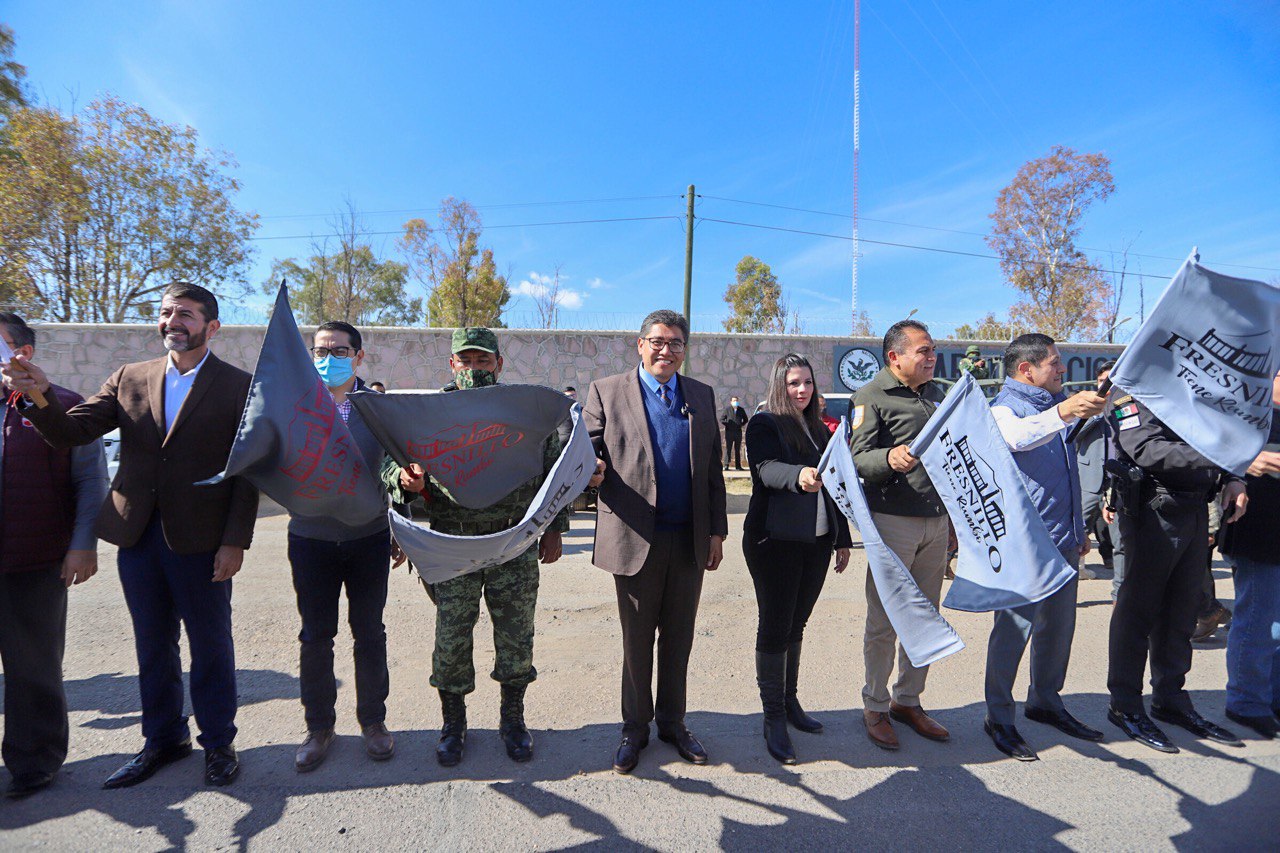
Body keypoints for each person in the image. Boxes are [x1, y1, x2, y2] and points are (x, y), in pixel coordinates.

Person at [2, 282, 258, 788]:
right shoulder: (129, 378)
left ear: (212, 327)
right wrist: (37, 393)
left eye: (185, 314)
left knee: (210, 645)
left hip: (203, 541)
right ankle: (163, 740)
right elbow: (70, 432)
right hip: (137, 537)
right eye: (165, 313)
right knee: (151, 645)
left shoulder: (239, 386)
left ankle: (219, 742)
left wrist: (235, 540)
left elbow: (246, 472)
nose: (172, 322)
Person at [387, 328, 568, 767]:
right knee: (451, 639)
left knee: (515, 637)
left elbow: (553, 469)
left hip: (513, 542)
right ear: (452, 365)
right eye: (465, 362)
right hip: (452, 544)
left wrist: (554, 528)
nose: (473, 370)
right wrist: (404, 482)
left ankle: (512, 720)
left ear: (499, 365)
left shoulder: (521, 412)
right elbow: (392, 466)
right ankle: (453, 725)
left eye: (482, 362)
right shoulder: (429, 414)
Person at [584, 309, 727, 774]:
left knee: (679, 639)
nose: (667, 350)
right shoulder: (607, 391)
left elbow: (712, 472)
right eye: (658, 341)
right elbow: (586, 453)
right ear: (640, 345)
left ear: (685, 350)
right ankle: (635, 728)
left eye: (677, 343)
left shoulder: (700, 396)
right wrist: (593, 472)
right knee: (637, 639)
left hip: (687, 540)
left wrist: (716, 532)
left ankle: (672, 722)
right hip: (634, 538)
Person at [982, 334, 1108, 761]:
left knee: (1058, 631)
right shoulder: (1004, 409)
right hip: (1025, 547)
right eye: (1054, 363)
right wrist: (1063, 412)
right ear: (1026, 370)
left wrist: (1079, 529)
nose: (1062, 370)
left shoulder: (1059, 405)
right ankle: (999, 717)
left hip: (1065, 541)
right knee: (1012, 633)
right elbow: (1019, 439)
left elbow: (1066, 473)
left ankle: (1045, 702)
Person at [0, 313, 108, 798]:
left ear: (20, 353)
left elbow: (90, 481)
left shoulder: (62, 407)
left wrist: (82, 543)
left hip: (35, 560)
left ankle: (34, 761)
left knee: (33, 668)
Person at [1106, 392, 1247, 752]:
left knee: (1181, 611)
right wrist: (1214, 457)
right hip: (1154, 510)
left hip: (1195, 508)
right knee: (1138, 611)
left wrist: (1233, 476)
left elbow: (1223, 433)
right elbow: (1146, 449)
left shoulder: (1194, 390)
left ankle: (1170, 698)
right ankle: (1125, 704)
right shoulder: (1135, 392)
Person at [290, 322, 395, 772]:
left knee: (369, 634)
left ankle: (373, 722)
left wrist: (402, 527)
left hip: (367, 539)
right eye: (319, 350)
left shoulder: (377, 410)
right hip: (311, 539)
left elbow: (396, 466)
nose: (327, 357)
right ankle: (319, 728)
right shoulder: (296, 407)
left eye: (338, 350)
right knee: (316, 637)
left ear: (358, 356)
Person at [847, 319, 951, 750]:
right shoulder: (870, 397)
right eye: (923, 352)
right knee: (885, 620)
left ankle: (908, 700)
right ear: (895, 357)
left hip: (938, 521)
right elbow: (856, 459)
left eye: (932, 351)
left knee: (925, 616)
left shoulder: (937, 395)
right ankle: (875, 705)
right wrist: (889, 457)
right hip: (893, 523)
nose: (932, 358)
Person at [743, 354, 851, 764]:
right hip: (775, 541)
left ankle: (789, 703)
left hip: (817, 542)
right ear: (779, 386)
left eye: (806, 382)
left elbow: (836, 485)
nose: (802, 390)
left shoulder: (819, 429)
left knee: (797, 623)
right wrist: (799, 476)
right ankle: (772, 717)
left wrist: (841, 538)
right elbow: (766, 470)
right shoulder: (764, 423)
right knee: (775, 626)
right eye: (793, 383)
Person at [1218, 370, 1280, 738]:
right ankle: (1245, 703)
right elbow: (1220, 453)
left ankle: (1271, 697)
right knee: (1257, 621)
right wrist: (1253, 459)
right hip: (1256, 531)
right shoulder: (1246, 412)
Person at [1076, 360, 1118, 583]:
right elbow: (1074, 434)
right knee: (1079, 524)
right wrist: (1097, 411)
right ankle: (1075, 570)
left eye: (1110, 381)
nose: (1106, 385)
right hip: (1090, 476)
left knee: (1119, 531)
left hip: (1117, 480)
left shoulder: (1128, 405)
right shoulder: (1086, 405)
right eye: (1102, 381)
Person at [720, 395, 748, 470]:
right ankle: (726, 465)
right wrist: (728, 424)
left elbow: (746, 419)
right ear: (731, 402)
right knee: (728, 449)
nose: (735, 402)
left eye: (736, 400)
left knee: (737, 449)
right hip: (729, 432)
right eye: (734, 400)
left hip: (738, 433)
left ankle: (738, 466)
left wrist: (740, 425)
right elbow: (722, 419)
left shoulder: (741, 410)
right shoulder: (727, 409)